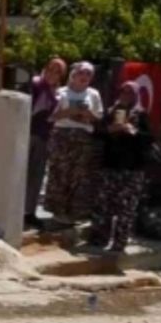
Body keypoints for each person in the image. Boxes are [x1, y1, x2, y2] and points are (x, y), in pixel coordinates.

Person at [88, 82, 153, 251]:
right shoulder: (111, 111)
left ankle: (119, 242)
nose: (126, 95)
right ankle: (99, 238)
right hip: (110, 166)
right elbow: (97, 134)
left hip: (132, 169)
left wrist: (133, 131)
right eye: (123, 91)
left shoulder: (141, 115)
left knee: (126, 208)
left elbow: (149, 140)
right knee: (104, 204)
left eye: (130, 92)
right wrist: (110, 129)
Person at [43, 61, 104, 228]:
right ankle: (57, 211)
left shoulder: (93, 94)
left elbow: (98, 118)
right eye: (82, 73)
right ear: (74, 74)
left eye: (88, 74)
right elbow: (51, 116)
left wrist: (87, 113)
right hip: (63, 135)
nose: (84, 77)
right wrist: (71, 111)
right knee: (59, 172)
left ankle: (74, 212)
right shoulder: (61, 92)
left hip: (83, 137)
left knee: (79, 175)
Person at [25, 57, 68, 228]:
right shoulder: (35, 84)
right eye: (51, 68)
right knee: (22, 174)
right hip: (28, 133)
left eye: (58, 72)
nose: (53, 73)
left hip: (43, 136)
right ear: (46, 68)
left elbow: (50, 116)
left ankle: (29, 212)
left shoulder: (56, 92)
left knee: (36, 175)